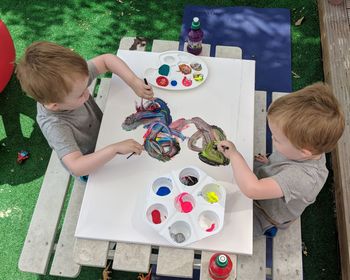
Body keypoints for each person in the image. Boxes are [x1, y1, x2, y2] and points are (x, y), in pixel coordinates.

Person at [217, 82, 344, 237]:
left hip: (265, 212)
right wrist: (270, 163)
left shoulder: (303, 178)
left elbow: (252, 189)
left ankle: (267, 228)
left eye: (277, 139)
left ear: (304, 152)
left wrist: (234, 155)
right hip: (266, 182)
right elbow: (286, 160)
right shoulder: (308, 148)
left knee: (229, 231)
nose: (272, 139)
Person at [16, 41, 154, 179]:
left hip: (105, 134)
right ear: (54, 105)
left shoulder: (72, 80)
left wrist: (133, 81)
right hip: (91, 163)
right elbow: (77, 167)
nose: (87, 93)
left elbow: (106, 60)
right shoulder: (54, 125)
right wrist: (114, 149)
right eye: (81, 94)